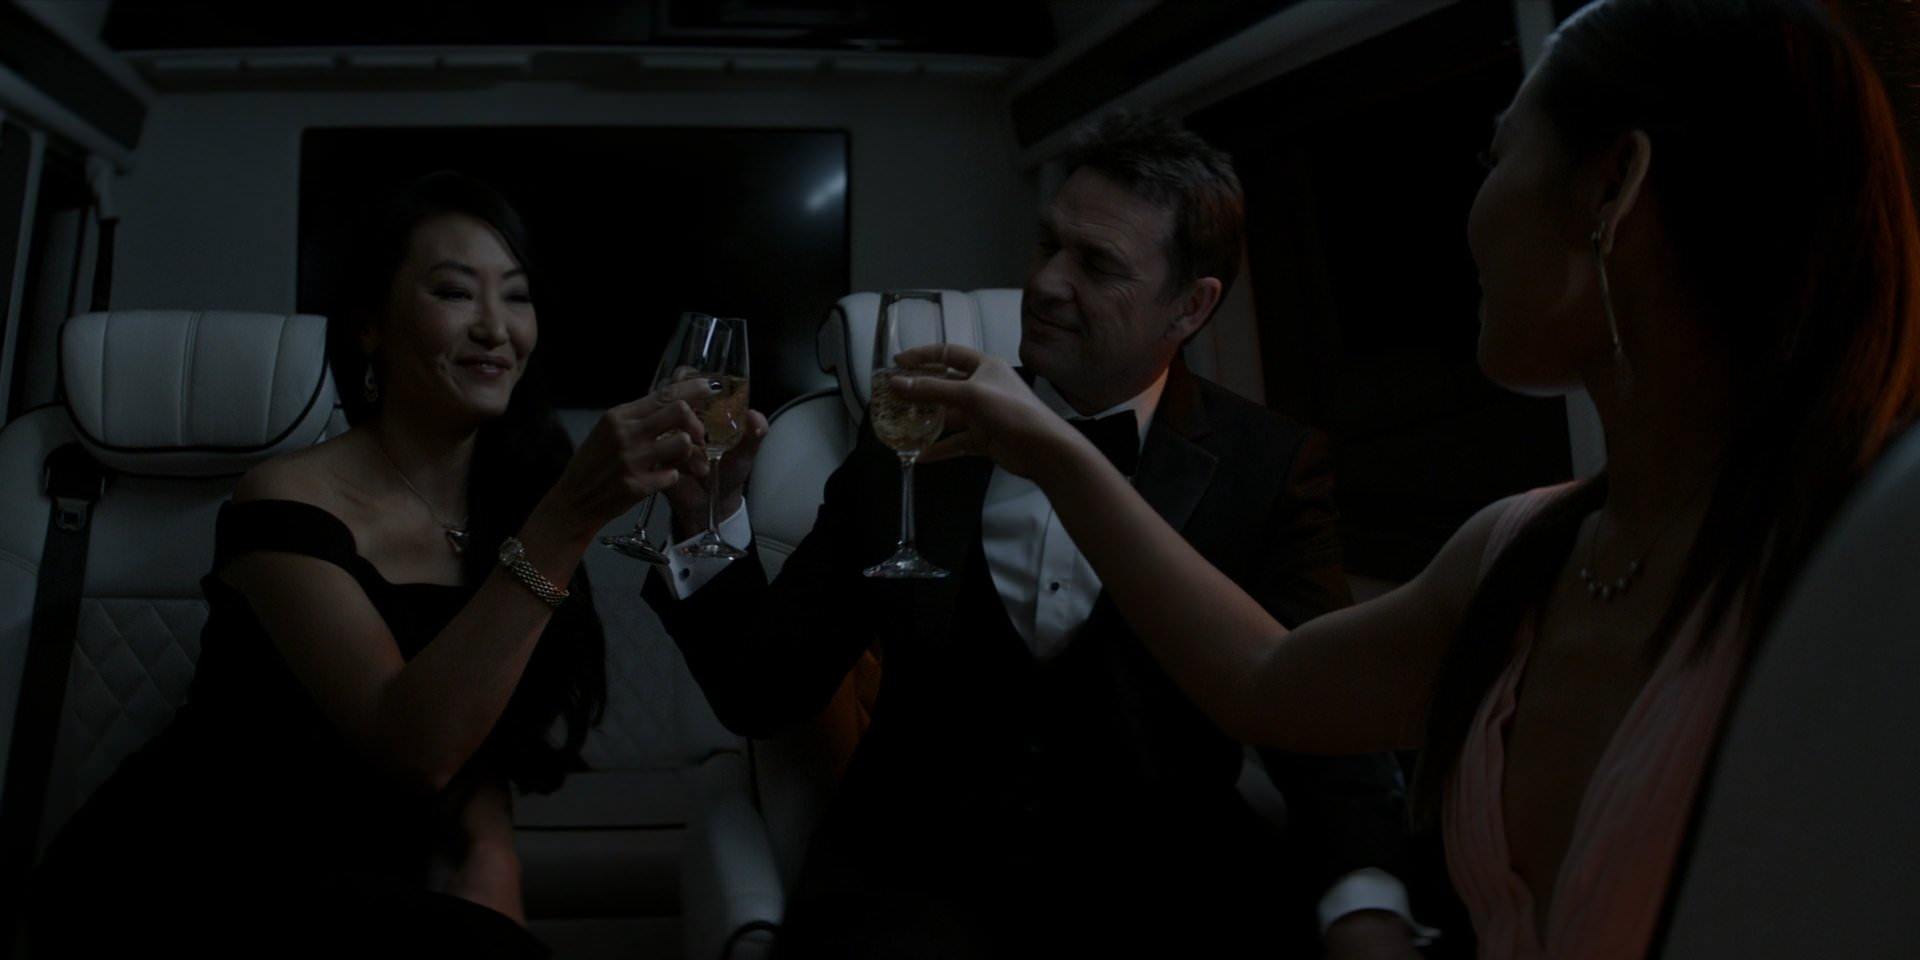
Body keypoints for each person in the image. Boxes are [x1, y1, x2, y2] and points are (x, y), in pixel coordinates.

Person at [890, 1, 1920, 958]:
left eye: (1495, 155)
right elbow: (1264, 680)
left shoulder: (1872, 570)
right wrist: (1054, 448)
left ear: (1613, 187)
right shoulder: (1517, 551)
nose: (1470, 212)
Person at [647, 114, 1426, 957]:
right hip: (916, 880)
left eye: (1097, 264)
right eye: (1049, 245)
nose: (1047, 283)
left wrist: (1366, 903)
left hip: (1168, 885)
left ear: (1192, 306)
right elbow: (765, 690)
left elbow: (1324, 717)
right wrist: (706, 517)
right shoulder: (913, 431)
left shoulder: (1267, 467)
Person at [28, 171, 709, 957]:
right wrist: (570, 516)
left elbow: (489, 727)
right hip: (190, 875)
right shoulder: (283, 502)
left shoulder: (512, 495)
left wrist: (493, 851)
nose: (496, 328)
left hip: (374, 875)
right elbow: (414, 744)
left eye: (517, 297)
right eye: (455, 292)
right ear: (368, 325)